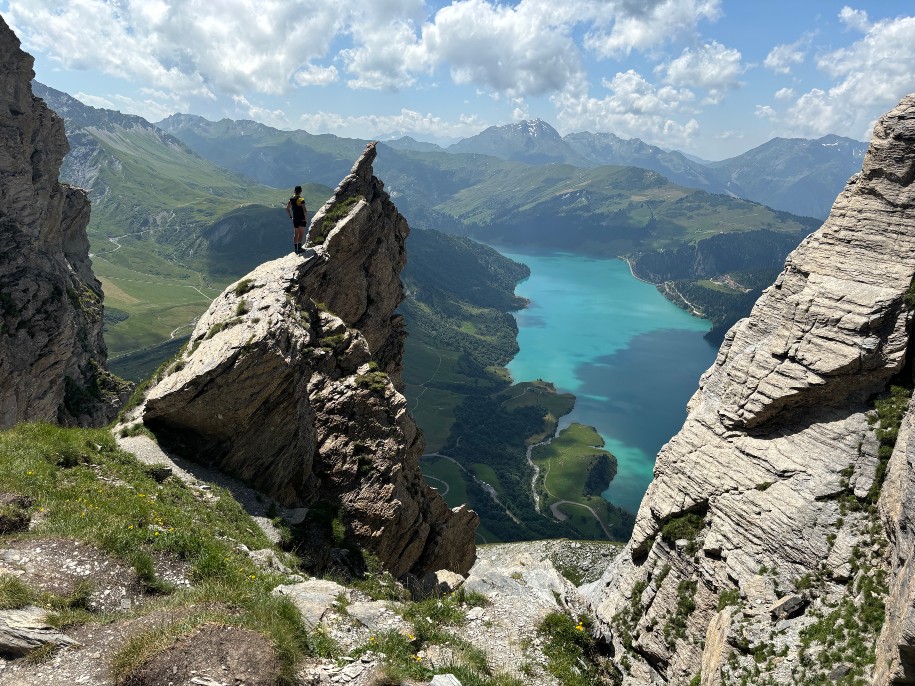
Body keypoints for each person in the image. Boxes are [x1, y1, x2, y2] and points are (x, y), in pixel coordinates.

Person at [285, 186, 307, 254]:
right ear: (300, 191)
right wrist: (305, 218)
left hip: (295, 218)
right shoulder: (301, 199)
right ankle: (299, 248)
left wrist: (291, 217)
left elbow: (287, 209)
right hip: (301, 218)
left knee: (296, 234)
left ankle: (295, 249)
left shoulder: (290, 199)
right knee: (301, 233)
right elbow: (304, 210)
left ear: (294, 191)